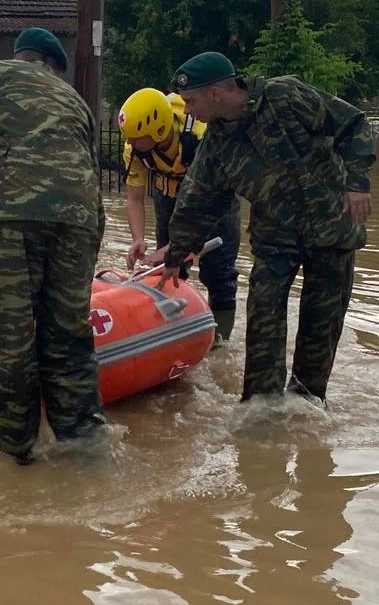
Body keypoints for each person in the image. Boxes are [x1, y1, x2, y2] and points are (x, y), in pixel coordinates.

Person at [159, 51, 375, 405]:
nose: (188, 111)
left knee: (321, 324)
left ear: (216, 94)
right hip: (276, 236)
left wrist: (357, 183)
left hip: (331, 225)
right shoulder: (215, 145)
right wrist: (176, 255)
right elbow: (195, 203)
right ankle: (261, 409)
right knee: (263, 315)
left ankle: (307, 404)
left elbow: (351, 124)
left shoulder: (285, 97)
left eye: (191, 101)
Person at [0, 27, 107, 465]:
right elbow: (93, 176)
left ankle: (17, 455)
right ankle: (85, 452)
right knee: (70, 340)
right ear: (54, 66)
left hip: (15, 216)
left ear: (21, 57)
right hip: (79, 223)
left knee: (12, 342)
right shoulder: (78, 101)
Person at [119, 87, 240, 343]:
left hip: (213, 202)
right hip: (169, 198)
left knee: (219, 273)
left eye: (135, 137)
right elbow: (134, 198)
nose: (130, 143)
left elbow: (212, 200)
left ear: (158, 130)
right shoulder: (135, 147)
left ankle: (220, 342)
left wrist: (175, 247)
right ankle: (170, 333)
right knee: (166, 269)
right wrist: (138, 238)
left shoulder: (200, 137)